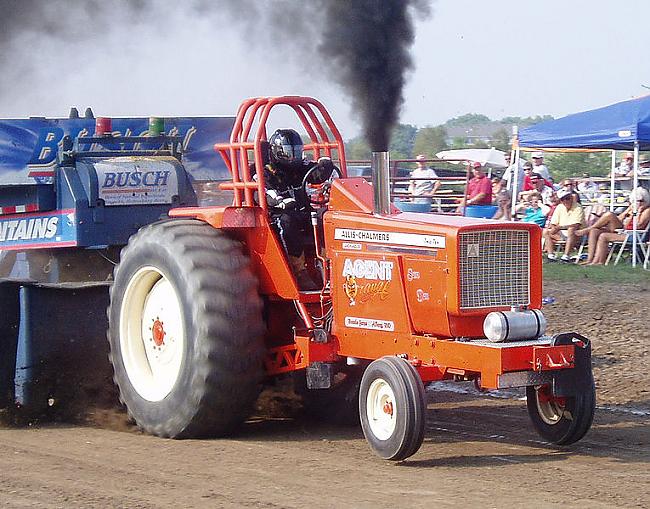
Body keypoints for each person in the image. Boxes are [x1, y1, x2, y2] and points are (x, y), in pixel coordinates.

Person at [256, 128, 336, 289]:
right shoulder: (265, 171)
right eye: (288, 152)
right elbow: (263, 192)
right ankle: (299, 271)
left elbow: (316, 174)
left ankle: (330, 265)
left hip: (302, 211)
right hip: (279, 214)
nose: (294, 157)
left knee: (325, 217)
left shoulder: (300, 166)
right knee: (287, 221)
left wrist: (325, 166)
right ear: (277, 152)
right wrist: (279, 201)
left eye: (297, 152)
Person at [575, 187, 650, 265]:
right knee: (594, 231)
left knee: (604, 234)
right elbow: (620, 219)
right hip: (623, 230)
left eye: (641, 201)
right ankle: (590, 260)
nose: (638, 203)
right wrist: (627, 213)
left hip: (636, 235)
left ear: (646, 200)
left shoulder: (647, 211)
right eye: (635, 201)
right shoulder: (632, 208)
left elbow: (639, 226)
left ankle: (599, 261)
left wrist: (637, 213)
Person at [543, 188, 585, 262]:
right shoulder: (559, 207)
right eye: (563, 199)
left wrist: (559, 227)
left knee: (571, 230)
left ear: (571, 198)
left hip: (576, 234)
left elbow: (576, 225)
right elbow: (553, 223)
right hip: (561, 233)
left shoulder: (578, 207)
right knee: (545, 231)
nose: (565, 201)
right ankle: (551, 255)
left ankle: (566, 256)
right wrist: (554, 228)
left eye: (567, 198)